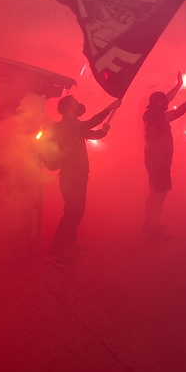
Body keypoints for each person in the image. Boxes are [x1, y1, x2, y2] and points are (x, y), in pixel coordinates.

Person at [46, 95, 120, 266]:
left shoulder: (72, 127)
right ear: (68, 108)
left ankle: (69, 245)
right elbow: (89, 124)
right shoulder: (67, 125)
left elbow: (89, 133)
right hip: (71, 177)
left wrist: (103, 132)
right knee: (72, 213)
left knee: (76, 212)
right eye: (75, 103)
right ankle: (54, 252)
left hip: (76, 176)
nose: (79, 105)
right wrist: (110, 108)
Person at [143, 73, 186, 241]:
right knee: (160, 194)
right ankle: (153, 230)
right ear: (156, 104)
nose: (166, 103)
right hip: (158, 160)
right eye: (163, 102)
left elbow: (167, 98)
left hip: (153, 158)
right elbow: (180, 111)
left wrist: (179, 84)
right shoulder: (158, 117)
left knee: (154, 192)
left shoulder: (150, 113)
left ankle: (149, 224)